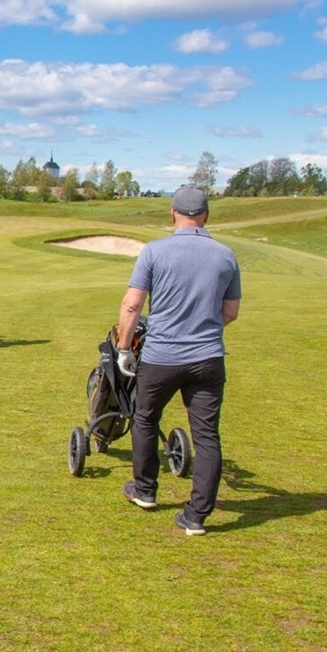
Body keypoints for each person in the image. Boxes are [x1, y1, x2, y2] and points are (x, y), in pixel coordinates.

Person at [115, 186, 241, 535]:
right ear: (207, 216)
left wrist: (125, 348)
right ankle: (196, 517)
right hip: (208, 357)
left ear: (172, 213)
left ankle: (145, 491)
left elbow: (131, 305)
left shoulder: (154, 251)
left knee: (144, 418)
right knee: (206, 436)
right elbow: (230, 312)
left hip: (161, 356)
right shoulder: (226, 255)